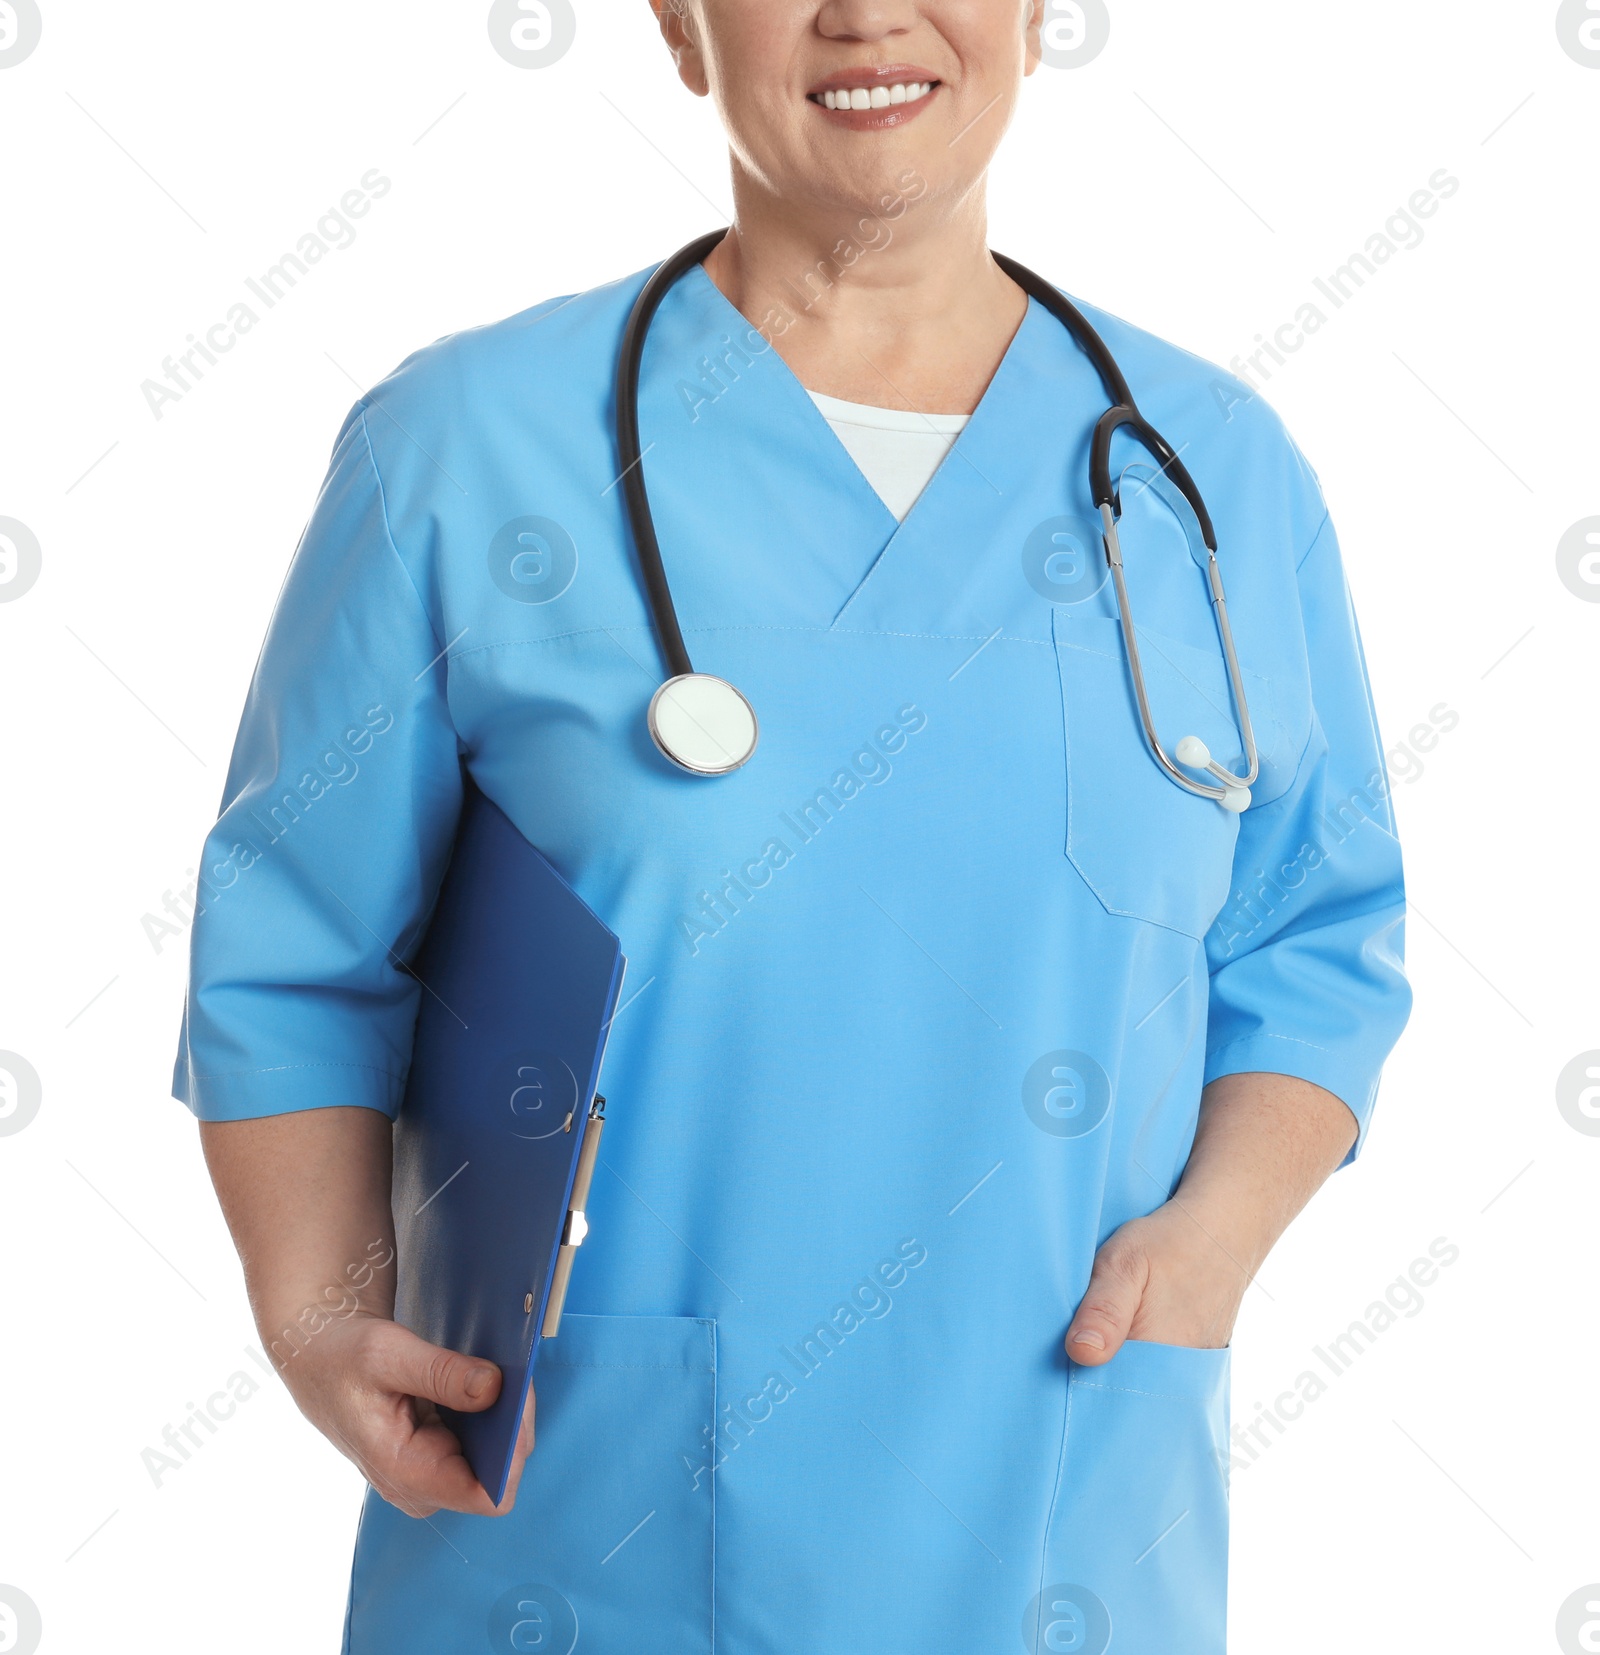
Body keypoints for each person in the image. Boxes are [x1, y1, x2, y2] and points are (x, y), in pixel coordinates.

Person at [177, 3, 1412, 1651]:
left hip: (1068, 1530)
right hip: (581, 1547)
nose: (865, 12)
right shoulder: (464, 450)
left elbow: (1317, 934)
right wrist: (318, 1310)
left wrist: (1215, 1244)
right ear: (681, 28)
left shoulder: (1212, 479)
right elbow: (292, 952)